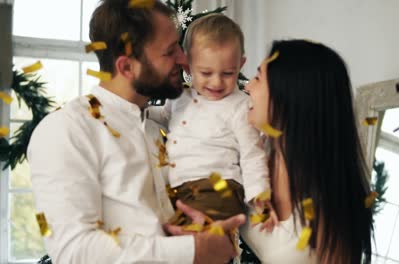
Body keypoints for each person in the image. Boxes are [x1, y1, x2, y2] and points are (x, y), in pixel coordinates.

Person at [27, 1, 244, 263]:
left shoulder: (165, 127)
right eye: (169, 52)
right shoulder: (66, 130)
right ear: (127, 67)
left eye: (178, 45)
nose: (184, 59)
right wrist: (192, 250)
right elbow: (73, 250)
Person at [240, 40, 374, 263]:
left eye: (258, 78)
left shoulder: (333, 213)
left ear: (289, 95)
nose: (247, 87)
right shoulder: (251, 153)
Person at [150, 13, 277, 231]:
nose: (217, 82)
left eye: (228, 73)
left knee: (198, 238)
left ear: (240, 64)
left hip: (218, 188)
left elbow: (252, 153)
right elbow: (161, 116)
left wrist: (259, 194)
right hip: (179, 189)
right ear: (188, 67)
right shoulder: (180, 97)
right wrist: (136, 108)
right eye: (206, 73)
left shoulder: (239, 106)